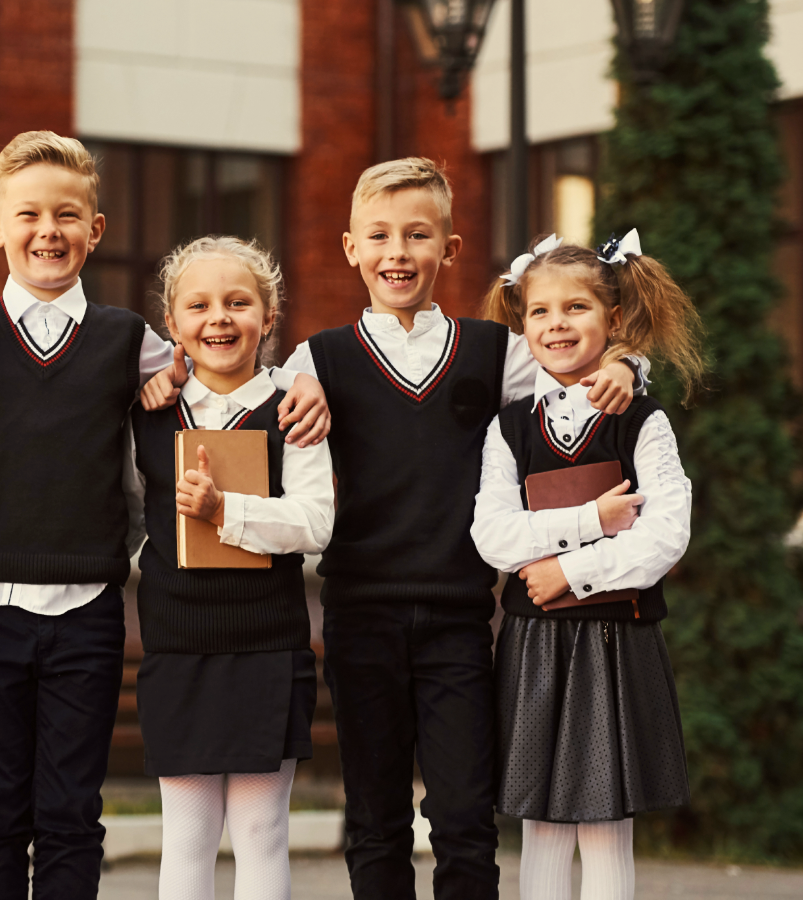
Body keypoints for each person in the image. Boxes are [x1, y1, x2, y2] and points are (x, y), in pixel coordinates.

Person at [0, 131, 331, 899]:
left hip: (86, 614)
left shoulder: (130, 341)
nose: (47, 231)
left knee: (70, 816)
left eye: (66, 215)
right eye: (28, 215)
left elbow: (220, 361)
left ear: (97, 229)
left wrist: (307, 379)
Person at [141, 158, 648, 900]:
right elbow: (235, 378)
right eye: (378, 235)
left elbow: (574, 369)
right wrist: (172, 370)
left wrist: (631, 364)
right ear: (351, 248)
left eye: (418, 235)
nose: (398, 252)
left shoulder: (496, 352)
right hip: (360, 615)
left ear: (450, 247)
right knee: (375, 820)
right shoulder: (319, 361)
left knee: (465, 817)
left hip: (459, 618)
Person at [472, 230, 704, 900]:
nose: (557, 324)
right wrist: (589, 523)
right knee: (541, 825)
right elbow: (494, 534)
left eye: (576, 308)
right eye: (541, 311)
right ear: (523, 324)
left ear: (614, 319)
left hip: (615, 640)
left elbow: (666, 536)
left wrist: (567, 573)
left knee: (605, 826)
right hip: (535, 643)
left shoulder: (643, 420)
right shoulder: (510, 427)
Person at [129, 236, 334, 900]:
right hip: (177, 644)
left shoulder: (296, 408)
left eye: (238, 302)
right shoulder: (147, 411)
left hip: (267, 646)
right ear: (173, 323)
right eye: (200, 305)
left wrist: (228, 512)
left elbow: (315, 521)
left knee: (260, 832)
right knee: (187, 837)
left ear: (268, 317)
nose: (219, 317)